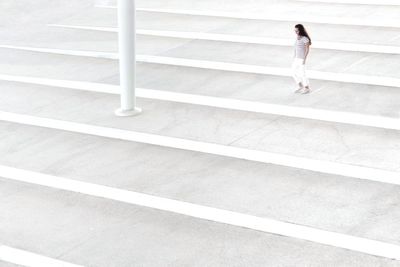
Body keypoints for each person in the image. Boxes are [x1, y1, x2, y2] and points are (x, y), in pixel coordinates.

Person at [292, 24, 311, 94]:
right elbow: (296, 48)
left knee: (303, 74)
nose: (295, 32)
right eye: (295, 31)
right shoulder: (297, 38)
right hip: (296, 58)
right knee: (293, 72)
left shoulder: (305, 39)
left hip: (301, 59)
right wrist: (294, 56)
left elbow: (307, 50)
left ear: (300, 30)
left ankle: (307, 88)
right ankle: (300, 86)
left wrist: (304, 59)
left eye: (297, 31)